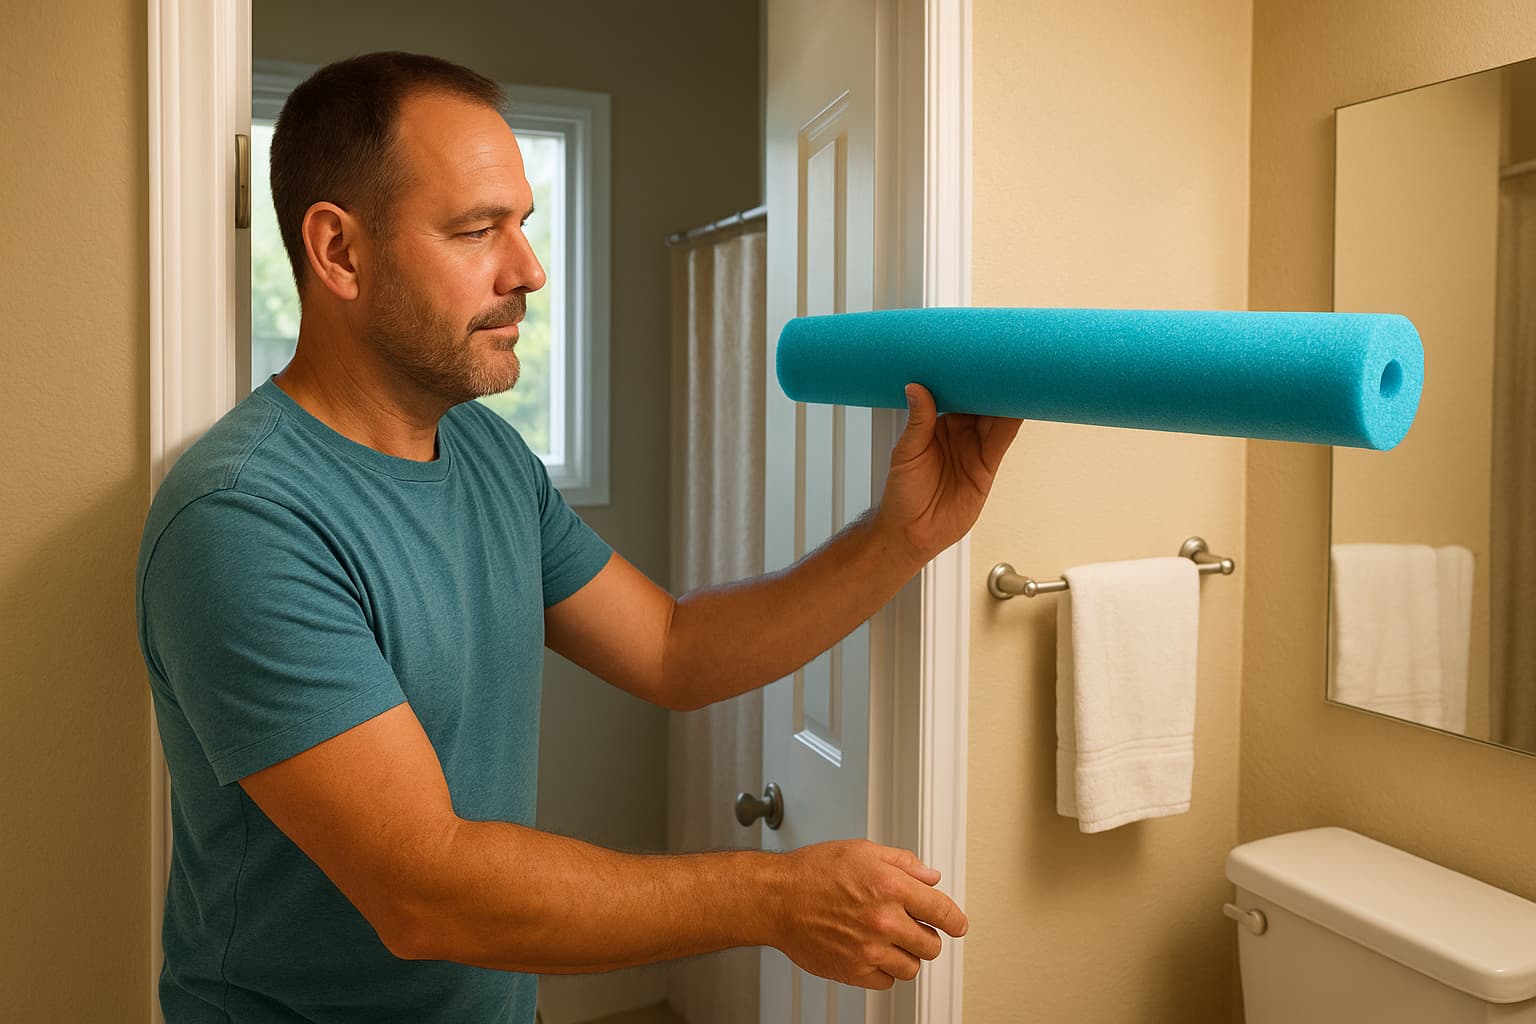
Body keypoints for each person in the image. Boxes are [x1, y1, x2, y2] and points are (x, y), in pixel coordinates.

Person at [136, 51, 1022, 1024]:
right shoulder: (244, 518)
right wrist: (775, 895)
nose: (529, 270)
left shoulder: (486, 451)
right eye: (479, 230)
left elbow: (676, 650)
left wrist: (900, 537)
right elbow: (422, 887)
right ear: (339, 252)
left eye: (523, 223)